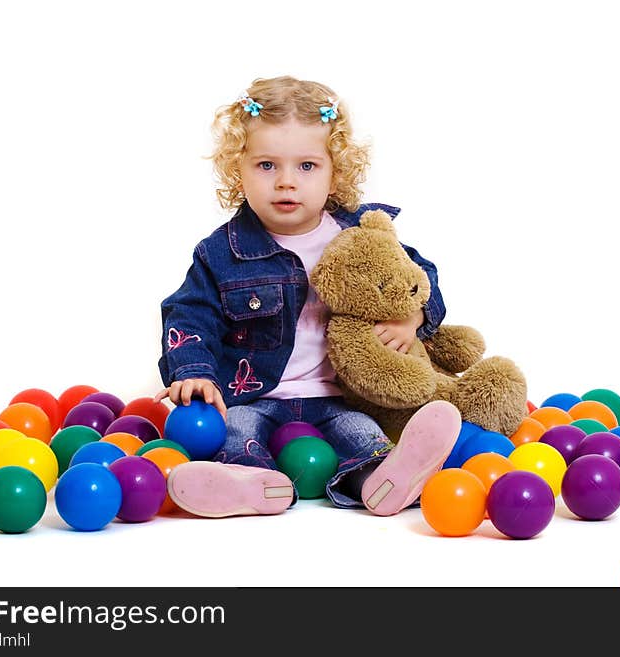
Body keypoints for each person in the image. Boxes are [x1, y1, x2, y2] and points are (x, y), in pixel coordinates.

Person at [154, 75, 460, 518]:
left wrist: (412, 317)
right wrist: (194, 372)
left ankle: (384, 477)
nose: (285, 183)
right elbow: (188, 314)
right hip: (255, 397)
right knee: (236, 431)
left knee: (361, 433)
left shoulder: (360, 235)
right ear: (236, 170)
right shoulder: (222, 252)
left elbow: (419, 275)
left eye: (306, 166)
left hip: (338, 396)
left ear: (336, 173)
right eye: (266, 165)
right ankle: (246, 483)